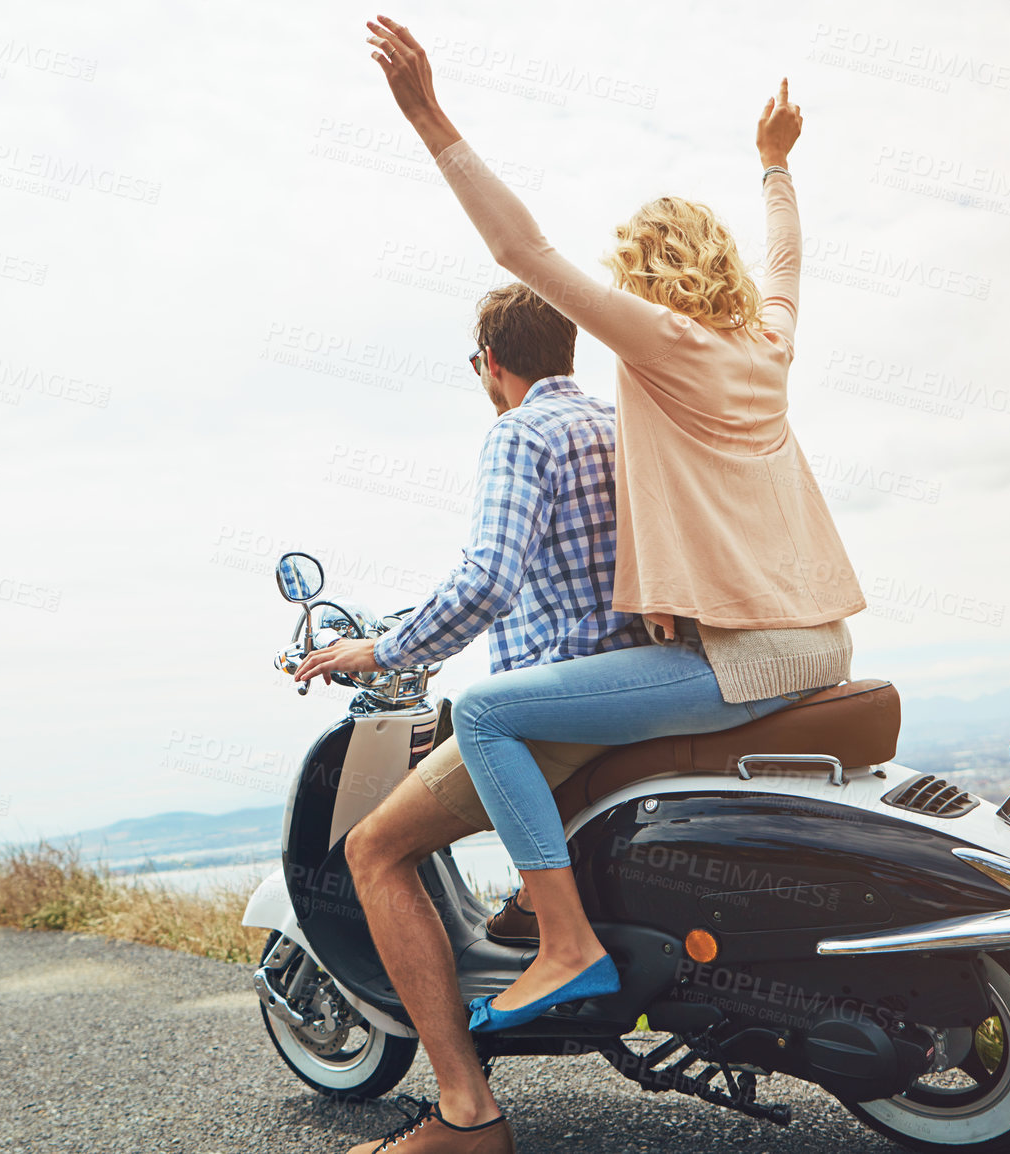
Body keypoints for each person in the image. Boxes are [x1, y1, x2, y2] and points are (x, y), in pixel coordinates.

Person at [306, 15, 872, 1153]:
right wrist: (773, 161)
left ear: (646, 280)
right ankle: (548, 925)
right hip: (819, 642)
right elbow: (786, 265)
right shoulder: (763, 344)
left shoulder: (660, 345)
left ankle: (561, 948)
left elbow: (521, 250)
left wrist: (426, 116)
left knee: (500, 707)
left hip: (741, 655)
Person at [294, 281, 647, 1154]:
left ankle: (465, 1111)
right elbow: (539, 575)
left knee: (375, 851)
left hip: (557, 710)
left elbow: (488, 577)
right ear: (569, 347)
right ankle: (532, 922)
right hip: (638, 684)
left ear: (490, 364)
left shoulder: (519, 431)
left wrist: (380, 652)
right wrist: (424, 627)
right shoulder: (616, 423)